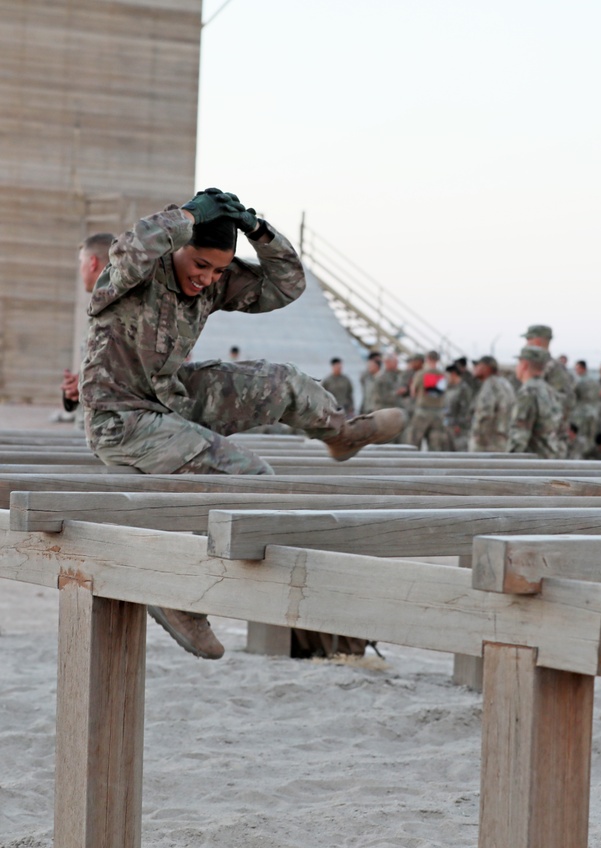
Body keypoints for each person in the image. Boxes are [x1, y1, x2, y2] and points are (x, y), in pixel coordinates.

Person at [80, 188, 404, 660]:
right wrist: (189, 215)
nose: (207, 279)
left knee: (281, 382)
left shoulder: (213, 281)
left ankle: (341, 433)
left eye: (217, 270)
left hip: (171, 398)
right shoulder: (133, 274)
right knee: (252, 478)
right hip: (121, 416)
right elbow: (134, 243)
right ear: (179, 249)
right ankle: (178, 594)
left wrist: (260, 231)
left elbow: (286, 285)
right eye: (200, 267)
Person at [61, 233, 114, 417]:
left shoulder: (119, 307)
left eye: (81, 262)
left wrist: (85, 382)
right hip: (91, 427)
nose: (80, 269)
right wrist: (77, 385)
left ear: (92, 262)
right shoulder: (98, 306)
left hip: (113, 430)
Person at [522, 324, 573, 457]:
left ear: (537, 341)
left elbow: (564, 403)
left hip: (547, 443)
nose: (526, 344)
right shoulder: (548, 367)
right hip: (536, 440)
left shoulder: (552, 368)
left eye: (529, 340)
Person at [507, 346, 562, 457]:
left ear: (525, 365)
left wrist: (509, 463)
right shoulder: (549, 390)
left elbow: (519, 434)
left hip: (532, 463)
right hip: (549, 458)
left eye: (519, 363)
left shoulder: (528, 392)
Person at [469, 355, 516, 452]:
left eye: (478, 366)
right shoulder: (505, 383)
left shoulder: (490, 385)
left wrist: (479, 438)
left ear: (486, 368)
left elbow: (485, 413)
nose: (475, 368)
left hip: (488, 442)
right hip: (503, 438)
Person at [404, 350, 450, 451]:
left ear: (427, 359)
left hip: (422, 412)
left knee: (414, 443)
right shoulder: (444, 375)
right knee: (436, 446)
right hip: (438, 414)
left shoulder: (420, 374)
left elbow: (413, 393)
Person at [570, 360, 601, 459]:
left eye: (577, 368)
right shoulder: (594, 381)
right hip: (593, 412)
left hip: (581, 413)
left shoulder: (579, 381)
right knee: (590, 437)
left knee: (580, 437)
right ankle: (590, 456)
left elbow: (572, 395)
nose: (576, 371)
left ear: (582, 368)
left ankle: (581, 457)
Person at [443, 363, 474, 451]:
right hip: (449, 426)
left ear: (453, 374)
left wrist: (459, 424)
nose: (446, 378)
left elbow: (466, 409)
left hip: (459, 429)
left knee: (460, 453)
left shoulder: (464, 389)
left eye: (448, 375)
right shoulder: (450, 388)